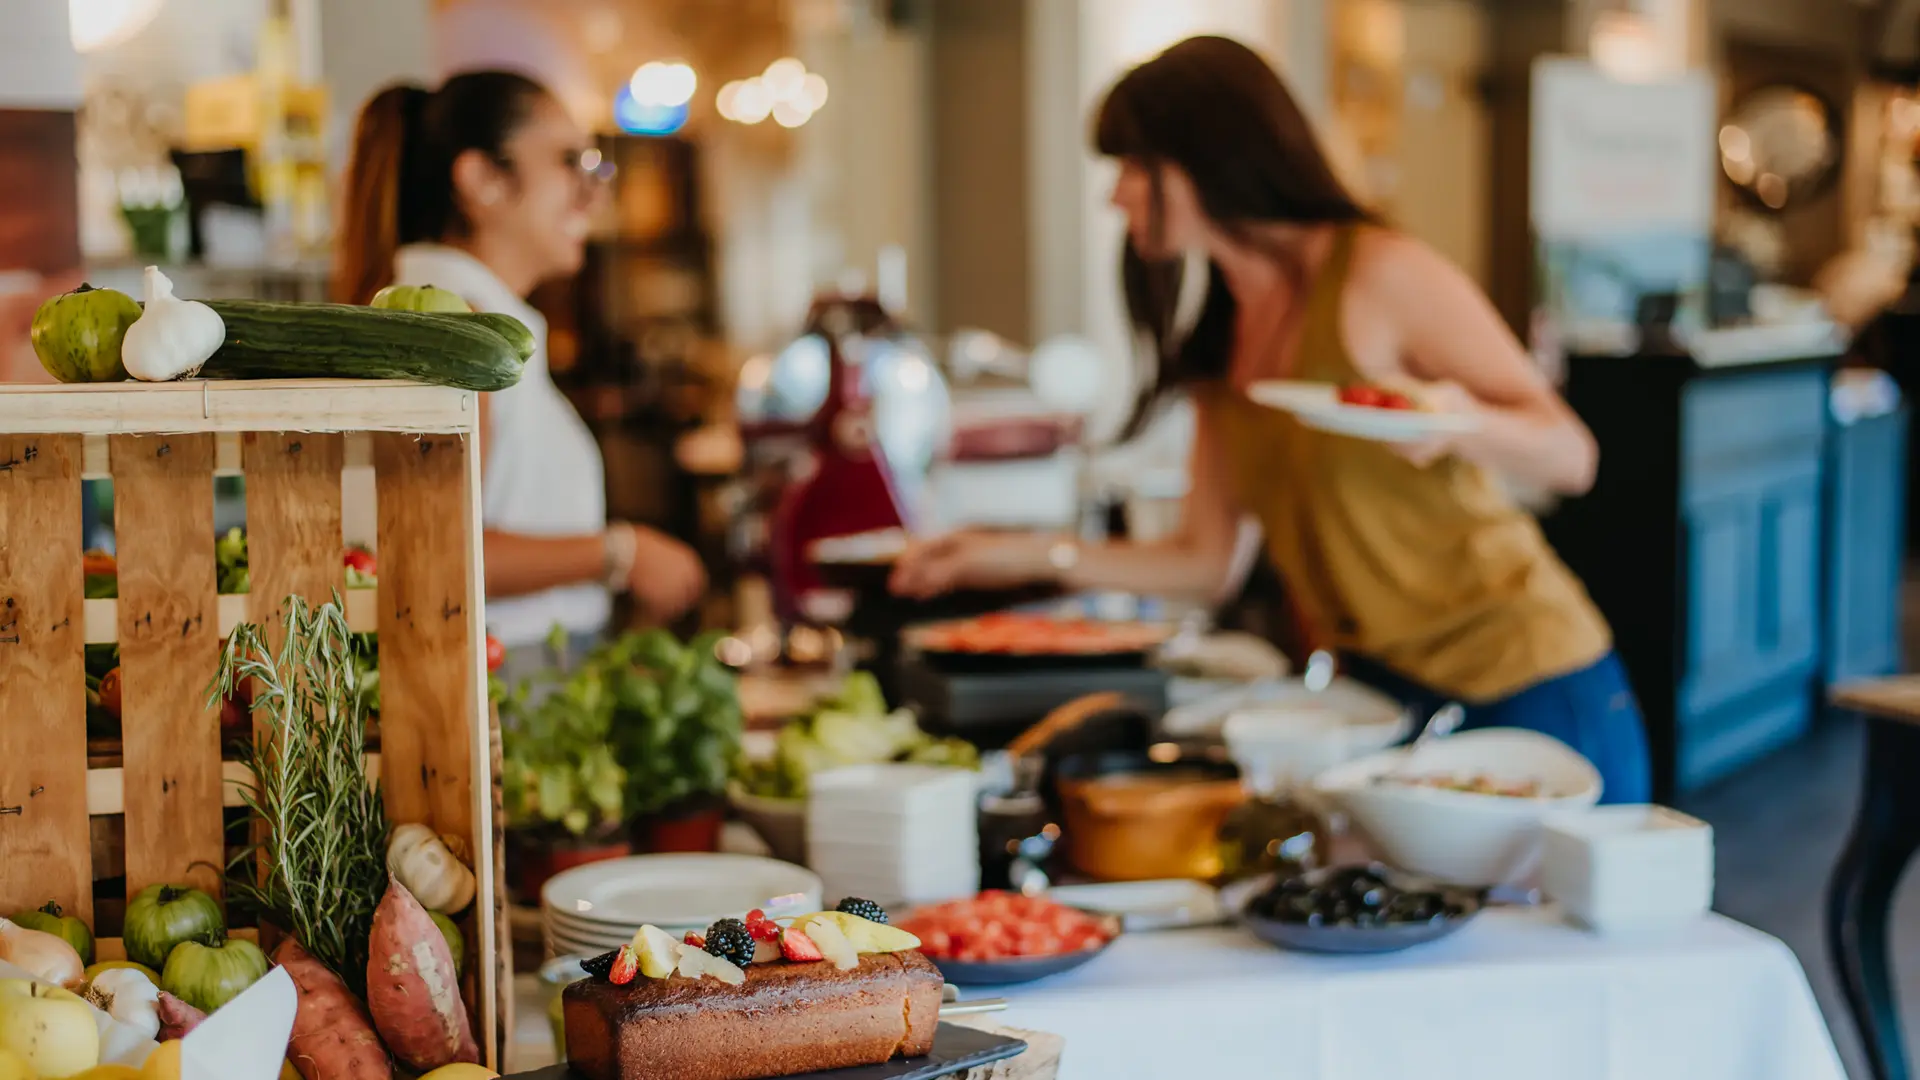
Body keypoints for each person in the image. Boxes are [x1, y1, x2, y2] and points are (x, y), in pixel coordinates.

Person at [890, 36, 1651, 803]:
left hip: (1527, 678)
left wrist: (1459, 422)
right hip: (1384, 697)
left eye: (1135, 166)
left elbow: (1571, 454)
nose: (1116, 197)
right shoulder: (1225, 343)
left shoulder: (1379, 273)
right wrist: (1012, 555)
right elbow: (1203, 561)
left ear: (1211, 157)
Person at [336, 71, 706, 670]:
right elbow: (430, 549)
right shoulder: (453, 329)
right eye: (570, 161)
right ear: (482, 180)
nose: (594, 194)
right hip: (501, 674)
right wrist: (621, 552)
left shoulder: (472, 315)